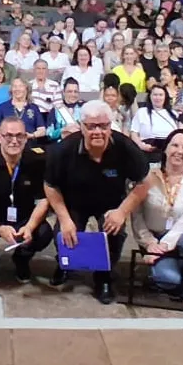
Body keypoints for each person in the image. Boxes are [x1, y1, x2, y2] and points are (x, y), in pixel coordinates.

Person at [44, 100, 152, 304]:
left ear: (111, 126)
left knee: (114, 232)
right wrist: (64, 218)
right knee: (64, 232)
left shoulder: (124, 147)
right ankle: (66, 264)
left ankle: (104, 277)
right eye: (91, 126)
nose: (98, 132)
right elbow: (50, 186)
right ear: (81, 126)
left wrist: (122, 212)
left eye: (103, 126)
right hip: (74, 202)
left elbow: (145, 181)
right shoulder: (63, 150)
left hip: (110, 203)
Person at [0, 117, 55, 283]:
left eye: (20, 136)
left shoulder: (36, 161)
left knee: (44, 233)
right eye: (8, 136)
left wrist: (30, 227)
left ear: (26, 137)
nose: (14, 141)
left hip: (23, 218)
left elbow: (43, 200)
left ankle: (21, 259)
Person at [132, 129, 183, 304]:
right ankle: (160, 272)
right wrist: (150, 242)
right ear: (165, 148)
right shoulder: (147, 174)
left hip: (180, 236)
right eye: (175, 145)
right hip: (152, 237)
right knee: (169, 280)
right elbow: (136, 215)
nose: (179, 151)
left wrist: (166, 244)